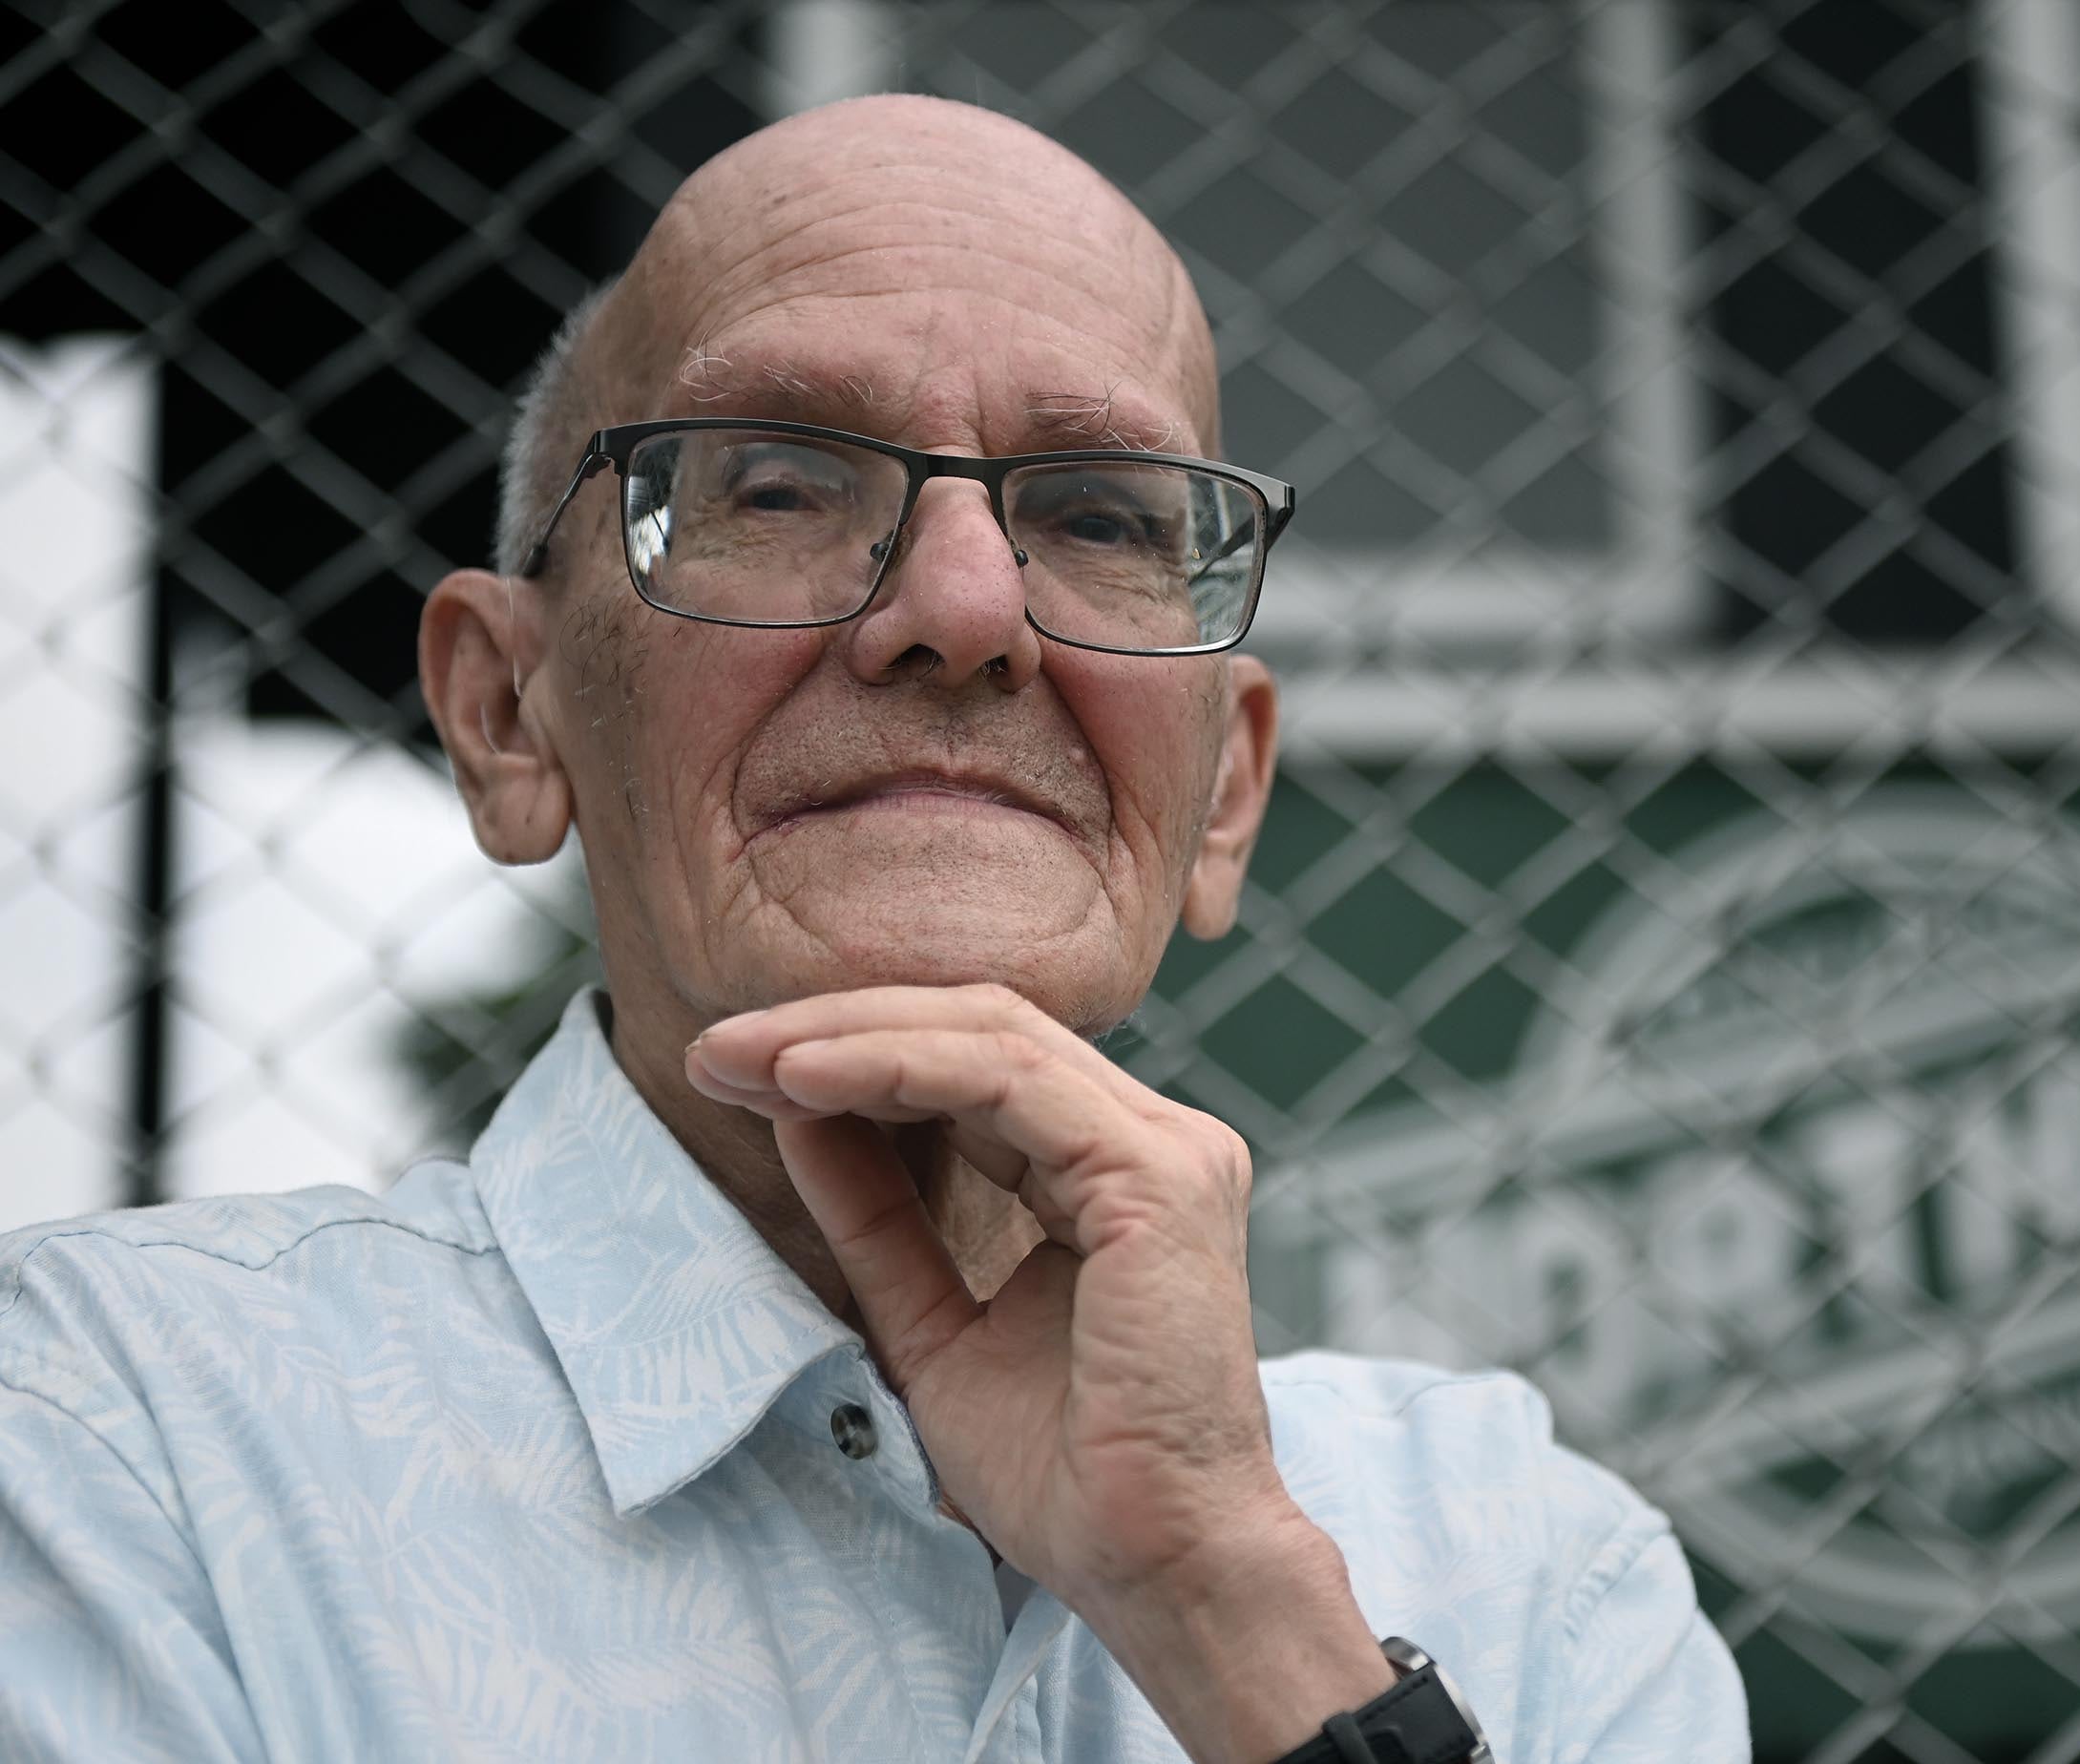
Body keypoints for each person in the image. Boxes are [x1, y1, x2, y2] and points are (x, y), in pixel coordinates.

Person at [0, 96, 1747, 1761]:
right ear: (510, 718)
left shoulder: (1530, 1567)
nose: (970, 607)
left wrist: (1238, 1623)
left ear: (1221, 798)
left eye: (1099, 516)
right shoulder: (113, 1442)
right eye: (774, 484)